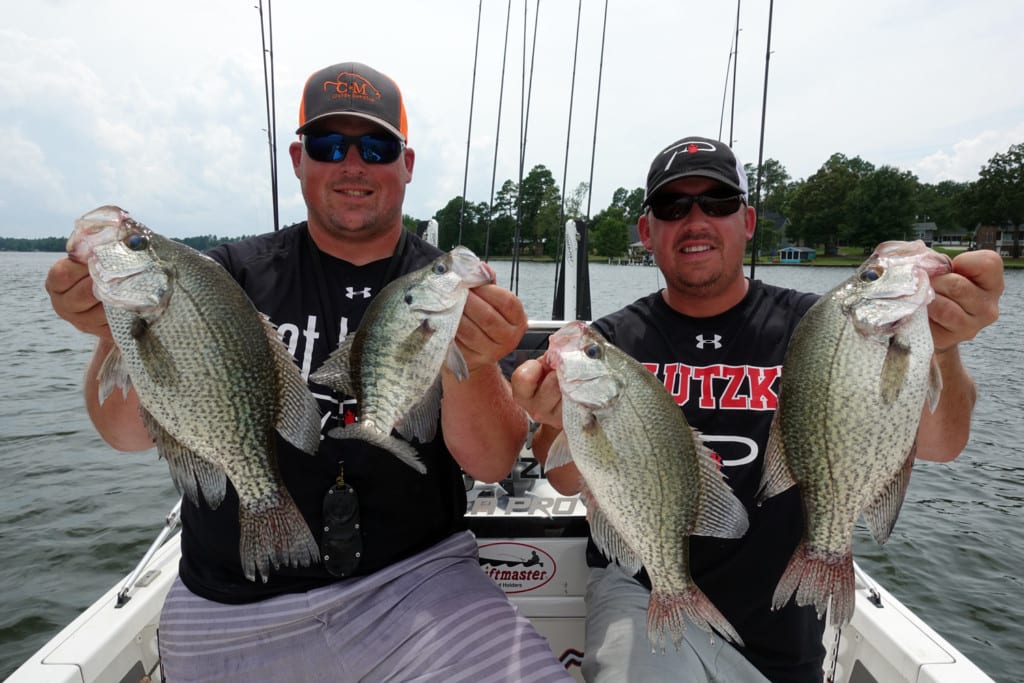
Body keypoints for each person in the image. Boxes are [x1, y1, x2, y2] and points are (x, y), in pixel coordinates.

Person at [45, 61, 573, 682]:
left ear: (406, 165)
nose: (353, 164)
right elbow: (126, 434)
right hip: (228, 603)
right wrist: (114, 331)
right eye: (329, 145)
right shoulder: (221, 280)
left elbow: (489, 464)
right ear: (298, 159)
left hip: (422, 588)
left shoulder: (450, 287)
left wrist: (474, 362)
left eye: (377, 147)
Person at [510, 135, 1005, 683]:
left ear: (747, 221)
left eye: (717, 203)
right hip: (644, 588)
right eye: (674, 207)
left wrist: (941, 343)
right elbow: (562, 477)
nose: (696, 220)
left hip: (782, 615)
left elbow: (942, 444)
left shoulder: (823, 329)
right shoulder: (612, 343)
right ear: (647, 232)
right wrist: (559, 420)